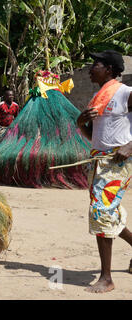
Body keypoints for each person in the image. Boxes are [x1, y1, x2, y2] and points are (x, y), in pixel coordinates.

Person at [76, 50, 132, 293]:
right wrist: (81, 124)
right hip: (99, 161)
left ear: (109, 69)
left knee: (101, 211)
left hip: (117, 163)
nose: (90, 68)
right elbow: (95, 137)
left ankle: (106, 278)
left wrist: (130, 146)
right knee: (110, 213)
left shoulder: (125, 93)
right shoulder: (98, 97)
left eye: (95, 64)